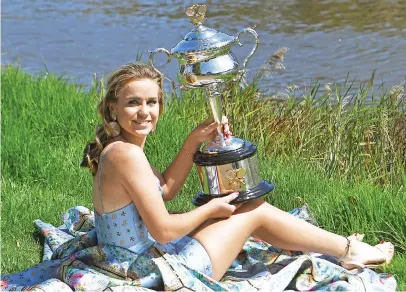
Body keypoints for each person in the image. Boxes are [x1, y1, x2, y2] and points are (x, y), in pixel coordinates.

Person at [80, 62, 394, 285]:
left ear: (161, 106)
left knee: (240, 209)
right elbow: (163, 230)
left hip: (133, 259)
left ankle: (328, 245)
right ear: (113, 109)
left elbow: (164, 190)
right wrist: (209, 210)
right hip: (147, 274)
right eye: (133, 103)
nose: (144, 111)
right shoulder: (126, 154)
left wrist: (193, 141)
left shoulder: (122, 148)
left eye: (151, 102)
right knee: (252, 209)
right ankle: (350, 251)